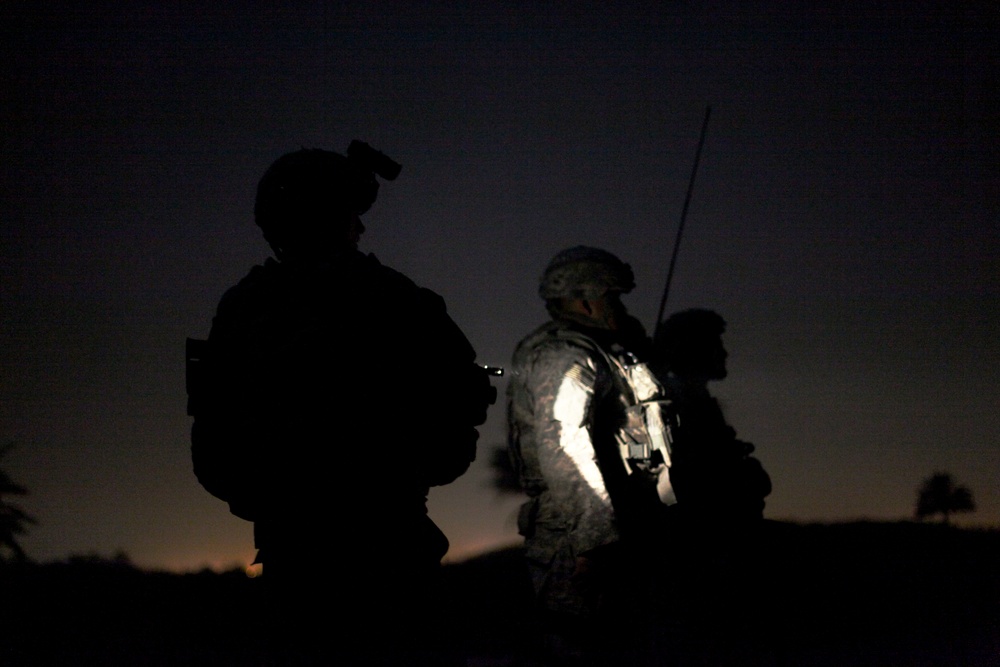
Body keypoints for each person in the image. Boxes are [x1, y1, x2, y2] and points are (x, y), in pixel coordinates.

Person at [190, 142, 494, 664]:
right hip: (383, 549)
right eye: (351, 214)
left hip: (302, 553)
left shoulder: (246, 306)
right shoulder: (394, 298)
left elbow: (216, 444)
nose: (361, 228)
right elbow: (457, 409)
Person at [506, 246, 673, 666]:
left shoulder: (611, 354)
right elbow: (564, 447)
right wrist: (594, 544)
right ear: (585, 298)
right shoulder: (565, 356)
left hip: (624, 530)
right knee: (582, 648)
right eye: (612, 297)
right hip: (581, 541)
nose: (619, 306)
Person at [648, 308, 773, 664]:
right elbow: (687, 484)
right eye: (715, 344)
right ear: (692, 350)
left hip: (714, 558)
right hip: (698, 563)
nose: (725, 353)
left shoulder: (694, 403)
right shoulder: (675, 406)